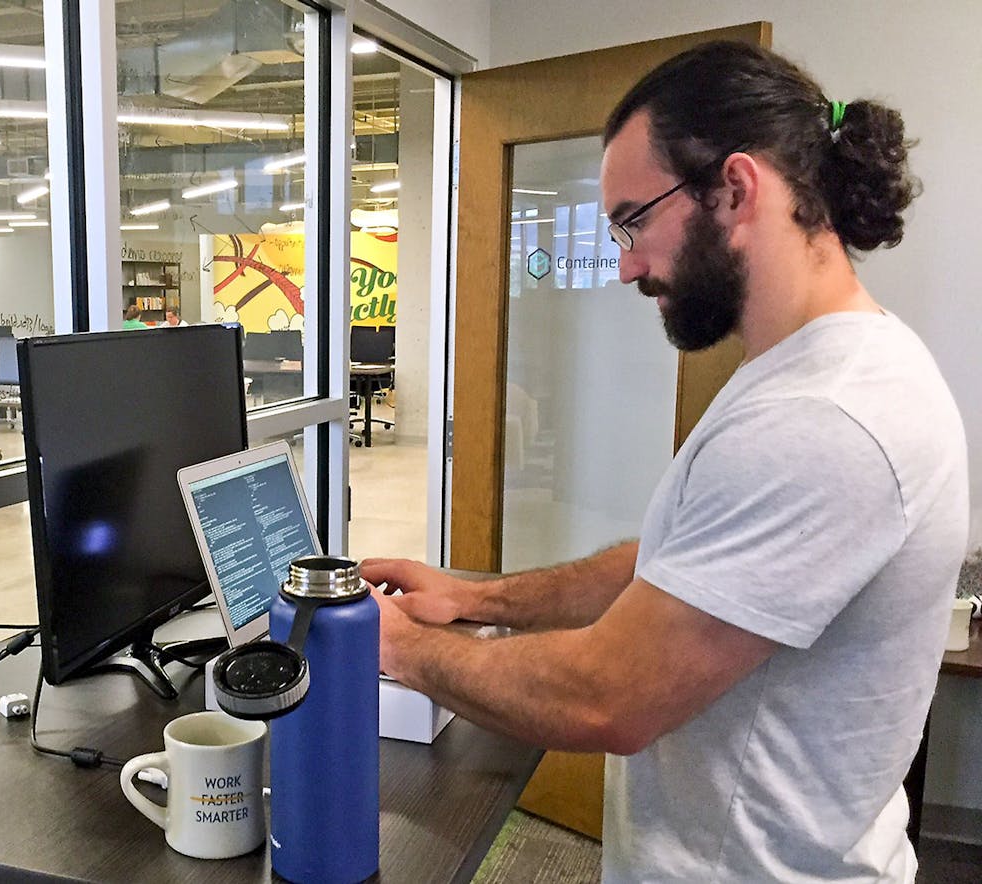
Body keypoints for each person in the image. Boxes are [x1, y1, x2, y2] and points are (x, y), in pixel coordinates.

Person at [365, 41, 967, 883]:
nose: (626, 265)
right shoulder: (808, 372)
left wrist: (395, 648)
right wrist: (474, 597)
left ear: (735, 188)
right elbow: (674, 567)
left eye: (634, 220)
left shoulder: (824, 418)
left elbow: (608, 696)